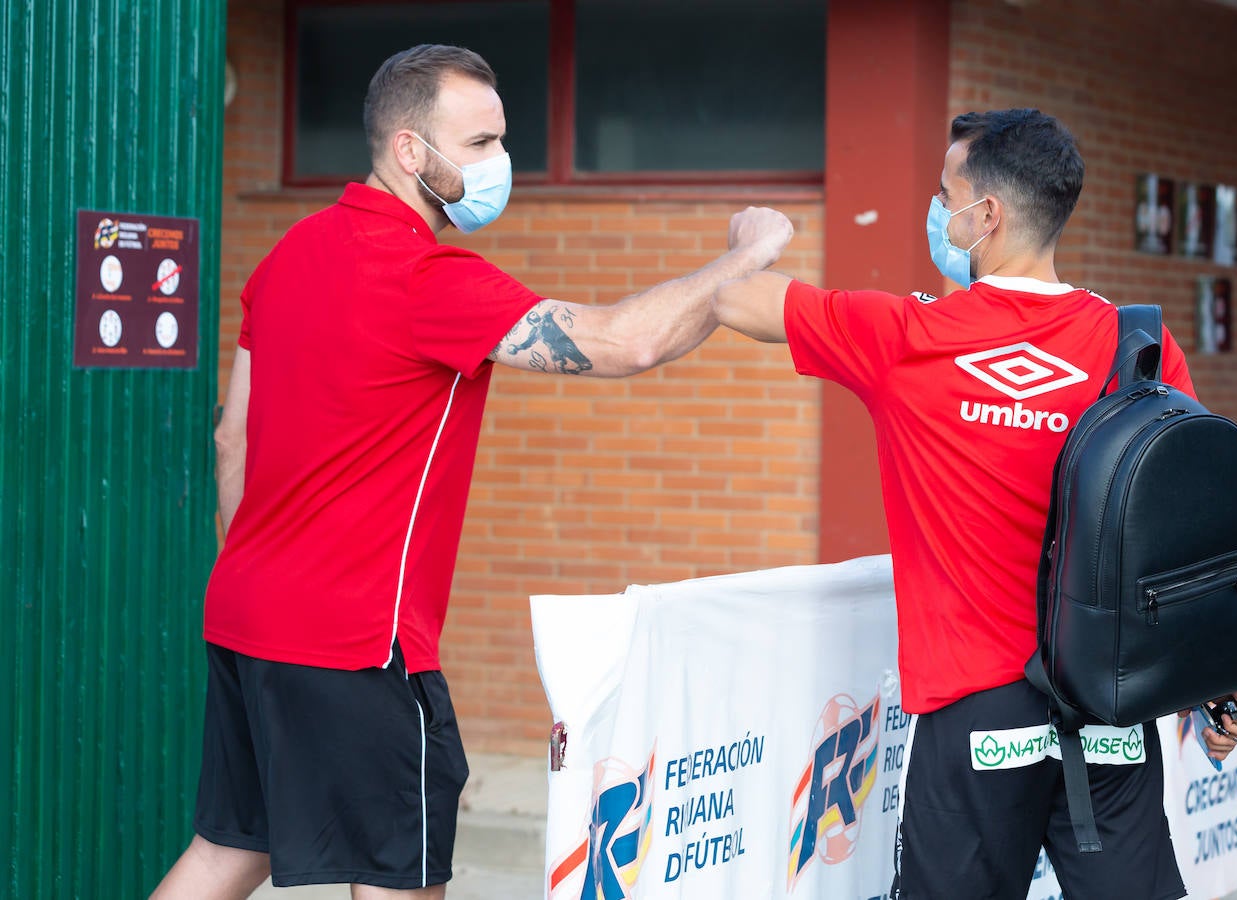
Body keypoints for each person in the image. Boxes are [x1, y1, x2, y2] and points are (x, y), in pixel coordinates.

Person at [152, 44, 792, 899]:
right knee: (401, 879)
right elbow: (623, 341)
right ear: (411, 152)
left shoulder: (286, 258)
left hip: (245, 615)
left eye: (501, 140)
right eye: (481, 143)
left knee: (230, 848)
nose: (501, 164)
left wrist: (273, 568)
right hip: (356, 642)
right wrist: (744, 256)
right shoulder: (426, 276)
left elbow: (232, 438)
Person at [711, 108, 1237, 900]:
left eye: (946, 195)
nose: (939, 213)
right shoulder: (1136, 345)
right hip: (1110, 703)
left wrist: (752, 243)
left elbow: (735, 301)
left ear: (987, 216)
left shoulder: (906, 336)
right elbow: (1191, 525)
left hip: (975, 716)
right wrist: (1231, 658)